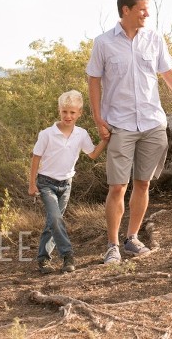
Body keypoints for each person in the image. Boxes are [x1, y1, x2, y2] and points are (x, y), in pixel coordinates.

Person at [86, 0, 172, 265]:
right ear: (125, 10)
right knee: (118, 186)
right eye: (141, 9)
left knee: (143, 184)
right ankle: (112, 245)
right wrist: (97, 118)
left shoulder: (154, 39)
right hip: (120, 125)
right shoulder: (103, 43)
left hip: (153, 124)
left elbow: (169, 74)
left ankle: (132, 238)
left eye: (147, 9)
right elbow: (93, 80)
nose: (146, 14)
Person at [29, 90, 109, 274]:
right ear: (59, 111)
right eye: (65, 112)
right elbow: (35, 158)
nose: (68, 116)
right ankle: (68, 256)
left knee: (53, 222)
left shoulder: (81, 134)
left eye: (73, 112)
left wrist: (105, 140)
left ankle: (42, 260)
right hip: (46, 183)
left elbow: (93, 154)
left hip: (66, 184)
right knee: (56, 219)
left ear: (79, 113)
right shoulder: (47, 134)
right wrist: (32, 184)